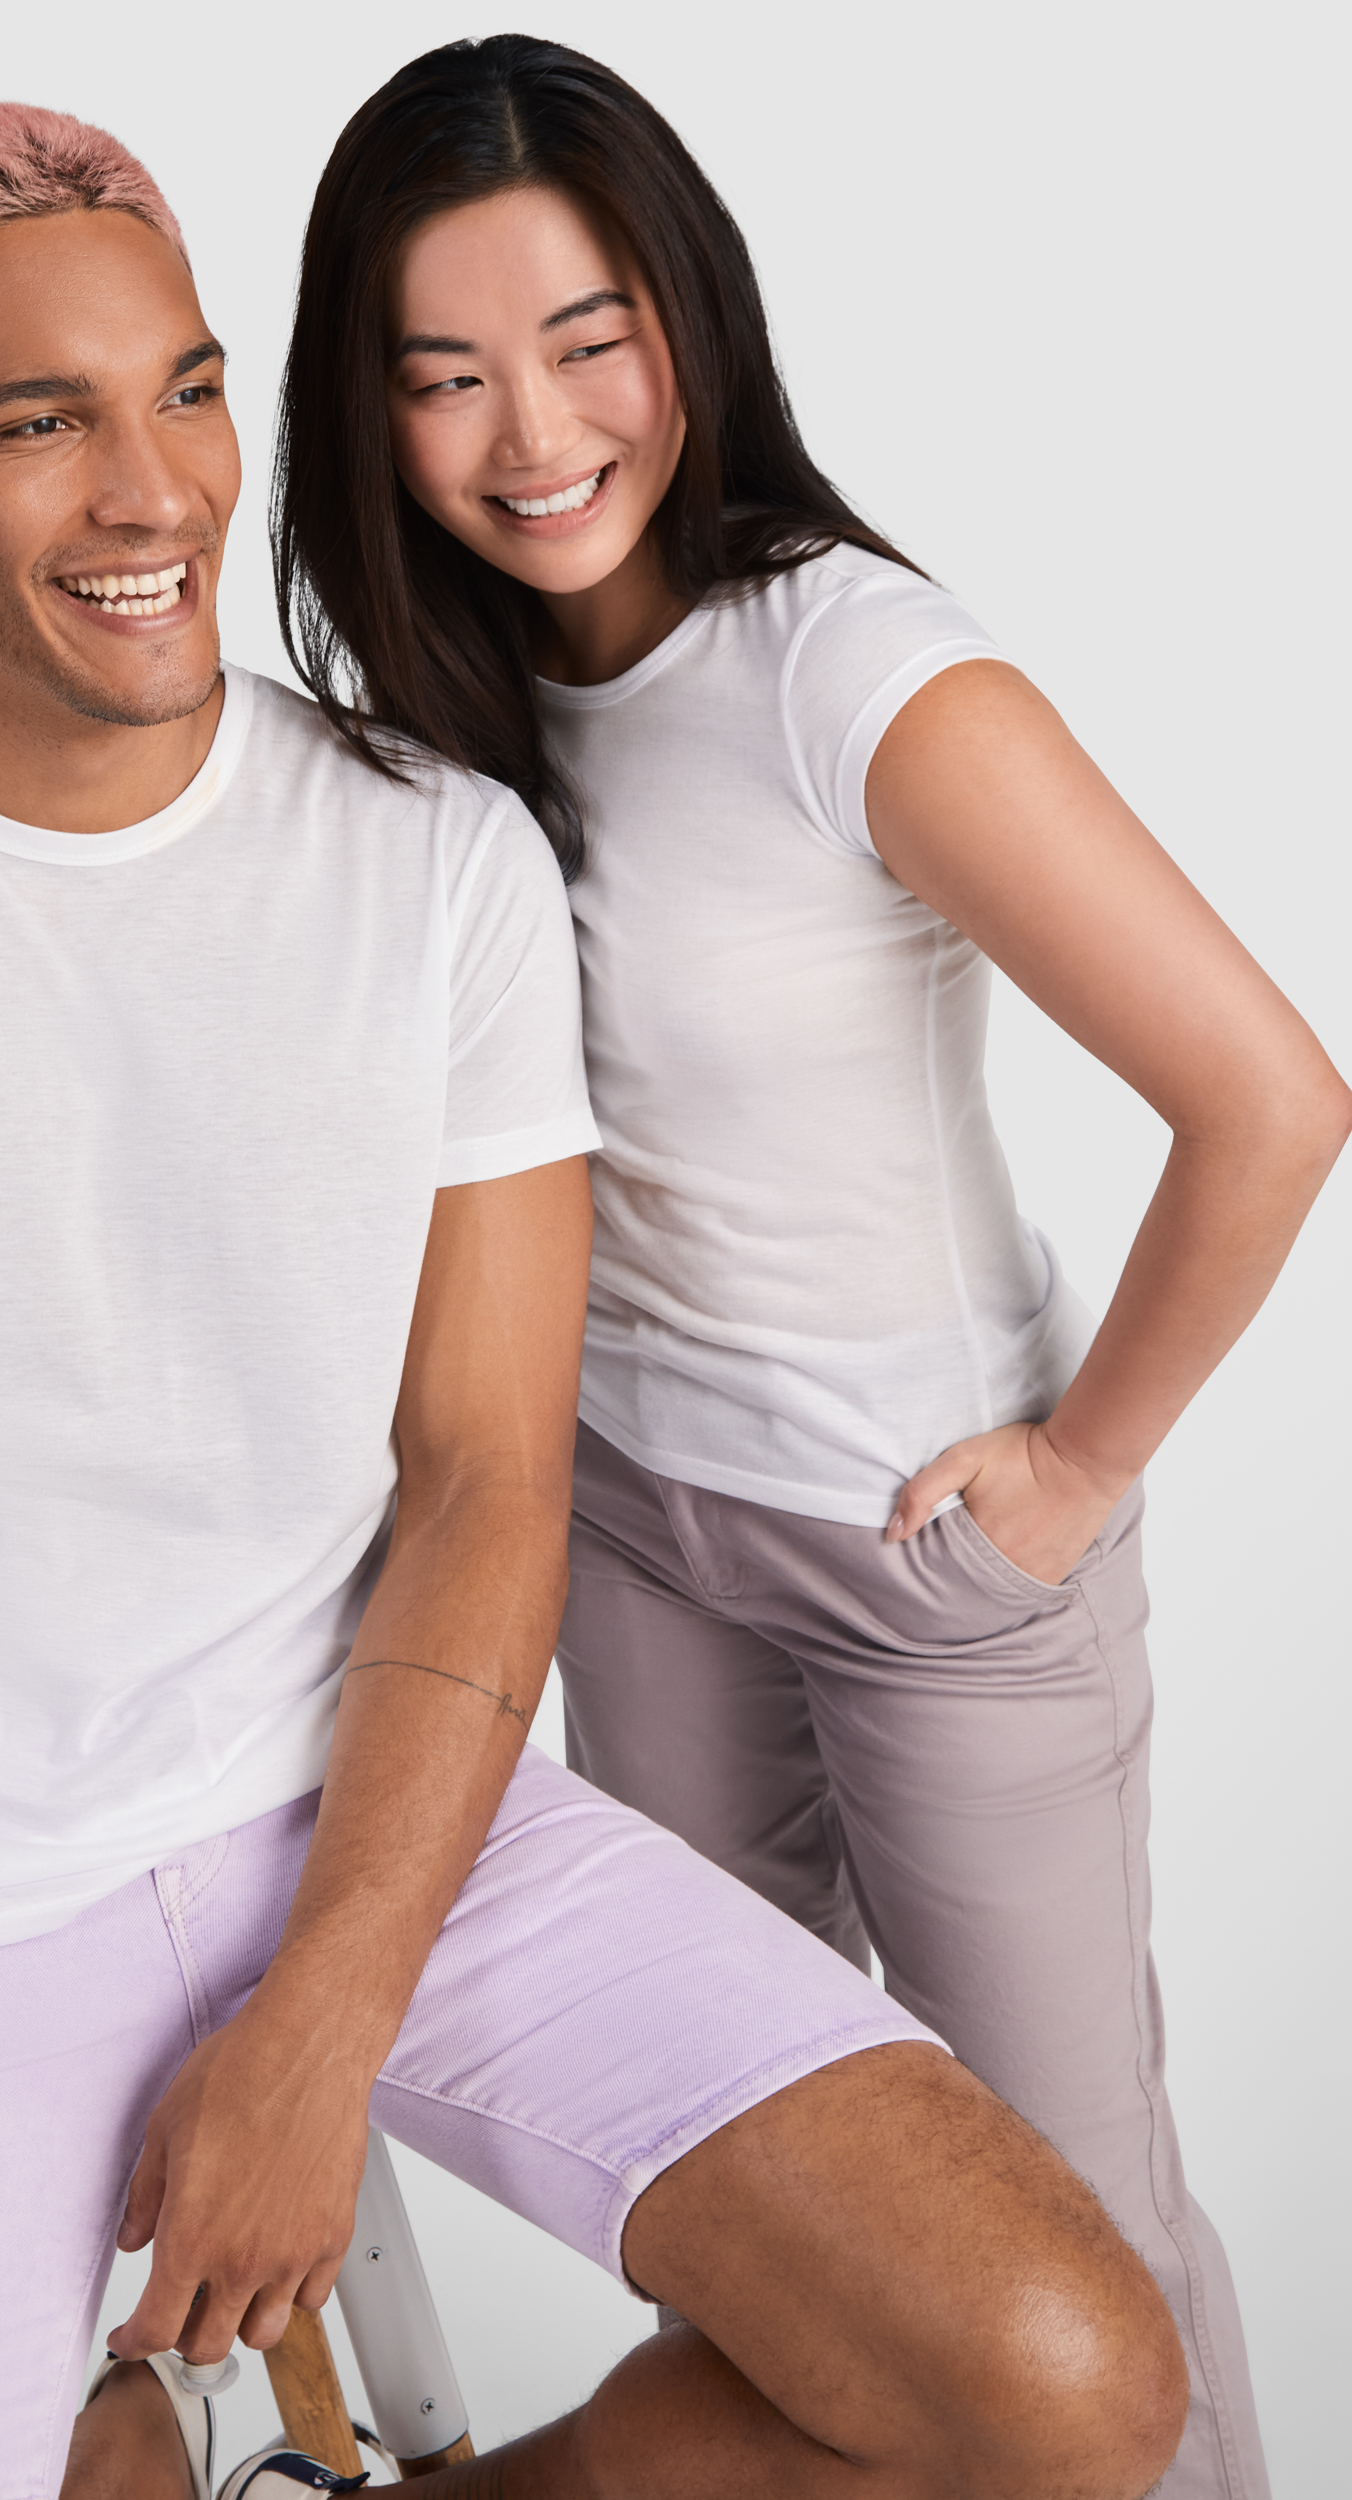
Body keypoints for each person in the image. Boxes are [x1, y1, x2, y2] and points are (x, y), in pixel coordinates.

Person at [0, 99, 1190, 2500]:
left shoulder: (436, 861)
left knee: (1056, 2377)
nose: (154, 491)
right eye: (40, 422)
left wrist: (315, 2021)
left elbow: (487, 1472)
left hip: (399, 1807)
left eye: (188, 390)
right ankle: (112, 2423)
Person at [275, 35, 1352, 2500]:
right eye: (443, 373)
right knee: (767, 2241)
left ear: (690, 316)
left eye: (588, 339)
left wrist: (1073, 1471)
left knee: (1077, 2269)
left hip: (927, 1555)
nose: (531, 431)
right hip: (639, 1532)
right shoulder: (454, 713)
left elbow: (1272, 1098)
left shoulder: (849, 669)